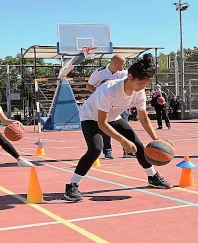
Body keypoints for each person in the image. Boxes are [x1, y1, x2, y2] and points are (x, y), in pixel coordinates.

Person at [64, 53, 172, 201]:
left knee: (139, 145)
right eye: (140, 83)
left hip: (114, 116)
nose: (142, 87)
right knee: (95, 149)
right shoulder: (109, 89)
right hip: (91, 117)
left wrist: (156, 139)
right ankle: (72, 186)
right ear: (130, 77)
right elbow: (102, 123)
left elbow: (143, 117)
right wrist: (122, 141)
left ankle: (153, 177)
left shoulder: (139, 92)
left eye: (145, 84)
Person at [86, 54, 128, 159]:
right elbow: (89, 85)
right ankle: (107, 151)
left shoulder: (124, 73)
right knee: (105, 127)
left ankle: (127, 150)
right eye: (123, 64)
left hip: (120, 104)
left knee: (125, 128)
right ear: (115, 64)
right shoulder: (99, 72)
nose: (124, 66)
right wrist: (99, 93)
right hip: (106, 104)